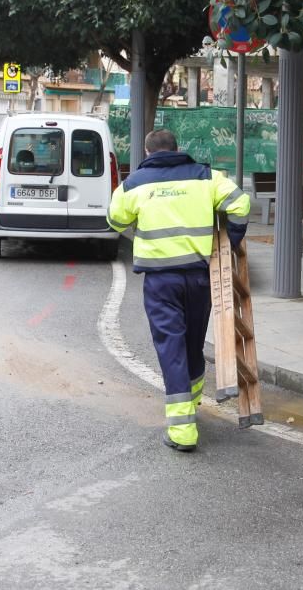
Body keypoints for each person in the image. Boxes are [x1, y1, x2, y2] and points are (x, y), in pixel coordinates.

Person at [107, 129, 250, 452]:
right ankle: (192, 399)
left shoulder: (134, 184)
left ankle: (183, 430)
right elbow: (241, 204)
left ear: (147, 151)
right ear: (176, 149)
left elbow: (114, 221)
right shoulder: (206, 177)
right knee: (192, 344)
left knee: (171, 348)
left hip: (161, 281)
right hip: (201, 278)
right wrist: (231, 243)